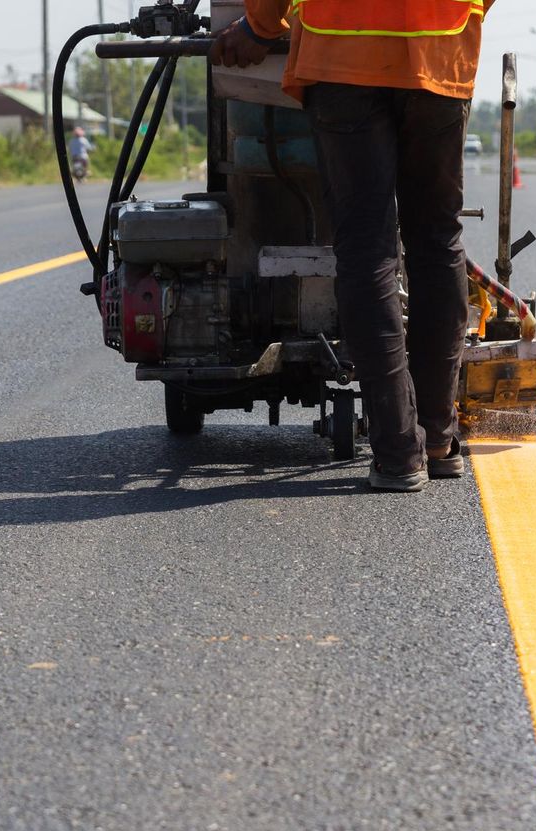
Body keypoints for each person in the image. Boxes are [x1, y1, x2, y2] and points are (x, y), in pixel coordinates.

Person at [211, 0, 494, 491]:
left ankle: (399, 452)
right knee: (437, 241)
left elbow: (266, 17)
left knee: (368, 249)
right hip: (439, 50)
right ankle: (436, 440)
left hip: (342, 53)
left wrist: (258, 27)